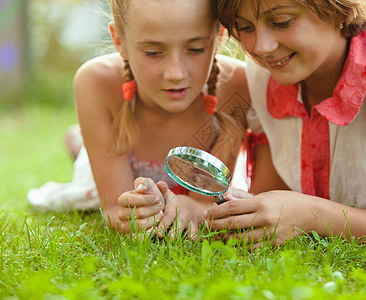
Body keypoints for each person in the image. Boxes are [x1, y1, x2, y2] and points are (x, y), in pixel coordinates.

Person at [29, 0, 276, 237]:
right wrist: (137, 212)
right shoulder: (95, 82)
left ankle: (80, 143)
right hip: (107, 173)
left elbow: (206, 205)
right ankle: (81, 145)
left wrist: (191, 210)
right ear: (119, 40)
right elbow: (114, 209)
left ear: (219, 36)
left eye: (196, 49)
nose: (176, 73)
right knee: (85, 173)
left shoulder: (239, 85)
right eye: (153, 52)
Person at [203, 0, 366, 246]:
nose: (262, 47)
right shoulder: (267, 70)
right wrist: (249, 209)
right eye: (245, 27)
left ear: (336, 8)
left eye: (281, 22)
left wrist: (309, 215)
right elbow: (272, 191)